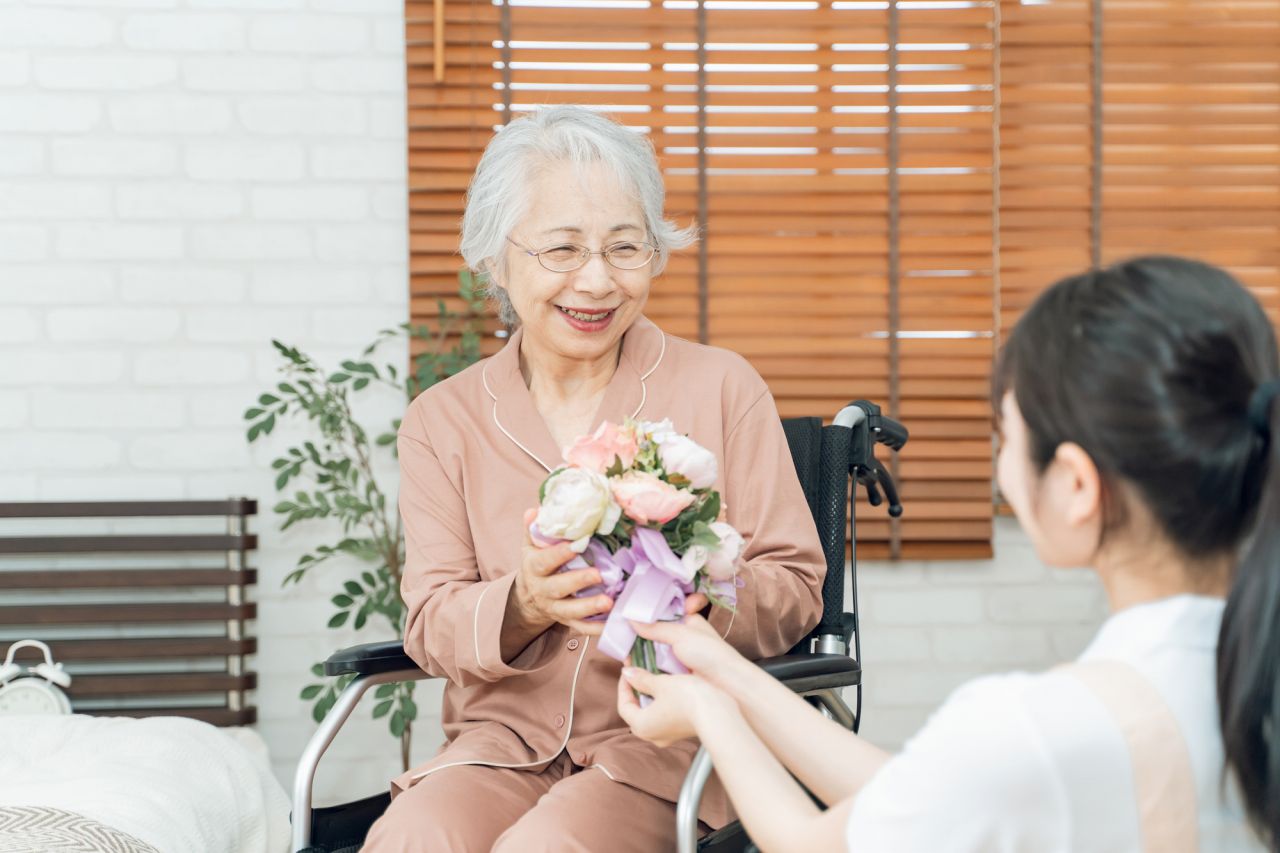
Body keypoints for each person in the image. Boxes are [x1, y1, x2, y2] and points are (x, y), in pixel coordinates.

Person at [618, 256, 1277, 851]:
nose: (1001, 466)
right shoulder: (1237, 682)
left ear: (1076, 485)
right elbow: (919, 793)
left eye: (1007, 435)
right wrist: (721, 668)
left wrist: (707, 712)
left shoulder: (1039, 728)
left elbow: (813, 843)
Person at [361, 104, 826, 851]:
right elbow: (431, 621)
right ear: (494, 258)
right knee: (413, 840)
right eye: (563, 250)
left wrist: (706, 594)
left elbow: (796, 586)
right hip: (501, 746)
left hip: (666, 747)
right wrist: (524, 602)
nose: (598, 280)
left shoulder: (723, 387)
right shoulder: (441, 420)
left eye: (623, 247)